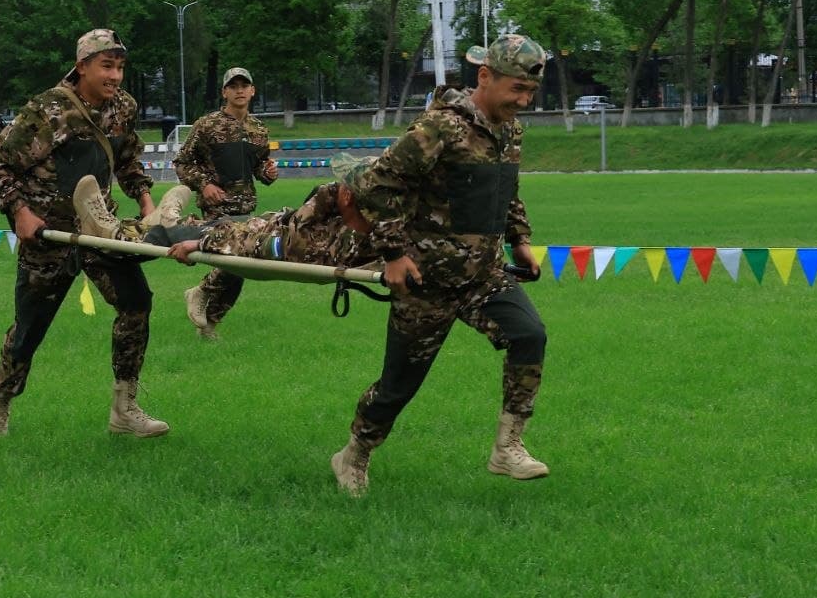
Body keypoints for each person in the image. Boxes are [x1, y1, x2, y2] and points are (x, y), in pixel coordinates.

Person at [330, 34, 550, 496]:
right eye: (516, 89)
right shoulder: (439, 129)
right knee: (397, 387)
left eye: (530, 92)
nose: (524, 101)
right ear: (485, 77)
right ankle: (354, 453)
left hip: (483, 275)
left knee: (529, 335)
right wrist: (392, 253)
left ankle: (507, 448)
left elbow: (505, 190)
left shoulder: (510, 130)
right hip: (424, 280)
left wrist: (520, 240)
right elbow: (376, 184)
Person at [0, 28, 170, 439]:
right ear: (82, 67)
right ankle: (0, 402)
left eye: (119, 67)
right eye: (106, 66)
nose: (115, 76)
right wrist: (21, 213)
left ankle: (125, 407)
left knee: (136, 304)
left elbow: (128, 157)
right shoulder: (49, 110)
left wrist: (146, 198)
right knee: (30, 328)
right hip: (48, 237)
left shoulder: (123, 107)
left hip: (101, 231)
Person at [71, 153, 378, 274]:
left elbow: (252, 245)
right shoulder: (363, 228)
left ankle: (109, 231)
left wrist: (203, 245)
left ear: (349, 196)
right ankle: (165, 218)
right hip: (263, 224)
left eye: (341, 184)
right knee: (212, 223)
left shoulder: (324, 244)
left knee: (177, 236)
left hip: (252, 239)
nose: (334, 187)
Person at [173, 66, 278, 340]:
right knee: (237, 259)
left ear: (253, 91)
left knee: (239, 269)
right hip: (217, 208)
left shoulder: (258, 130)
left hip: (246, 208)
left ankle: (209, 325)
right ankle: (201, 292)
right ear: (224, 92)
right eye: (234, 86)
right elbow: (182, 163)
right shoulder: (207, 125)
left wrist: (267, 173)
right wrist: (204, 185)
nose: (240, 90)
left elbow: (258, 169)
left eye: (245, 85)